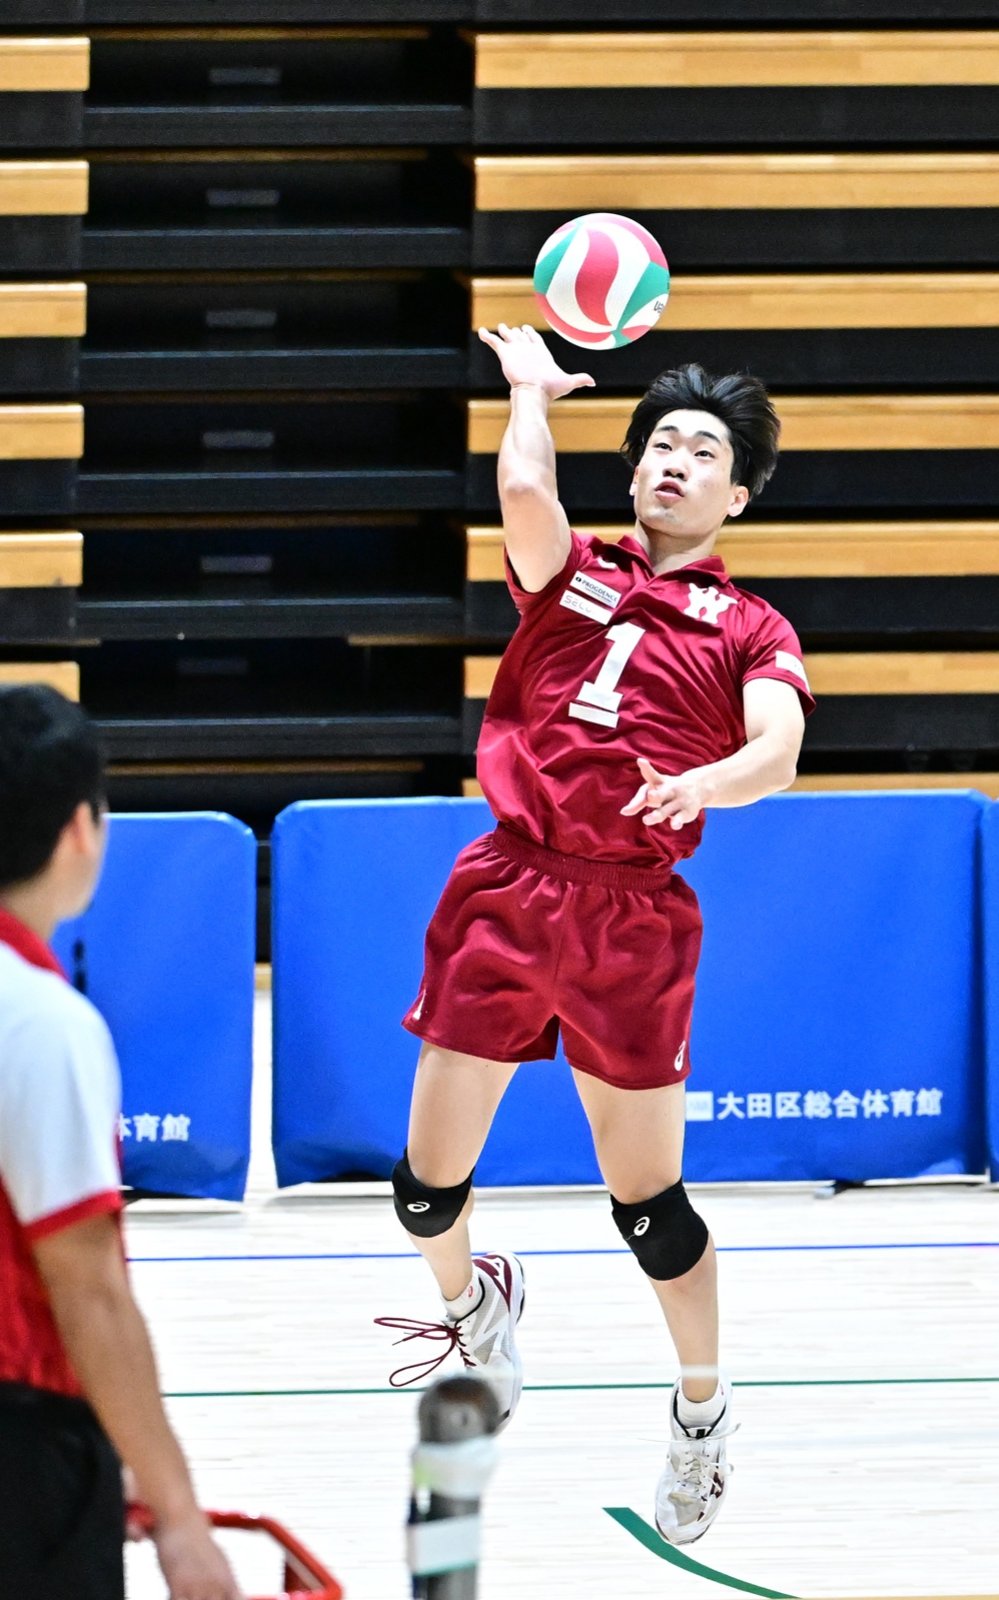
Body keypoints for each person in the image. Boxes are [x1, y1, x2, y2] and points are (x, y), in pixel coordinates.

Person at [378, 325, 811, 1546]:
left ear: (738, 495)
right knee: (422, 1192)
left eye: (704, 451)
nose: (676, 461)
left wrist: (705, 783)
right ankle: (477, 1305)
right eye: (661, 442)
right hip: (509, 887)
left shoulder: (751, 628)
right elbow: (524, 490)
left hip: (632, 916)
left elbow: (778, 751)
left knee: (650, 1208)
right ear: (633, 471)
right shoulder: (569, 574)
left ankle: (701, 1409)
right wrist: (528, 391)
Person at [0, 683, 240, 1600]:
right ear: (79, 829)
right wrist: (180, 1517)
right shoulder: (36, 1019)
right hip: (14, 1471)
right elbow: (89, 1290)